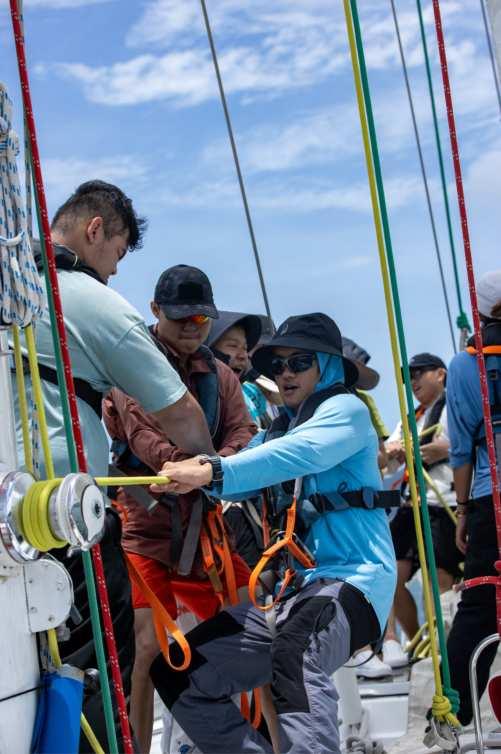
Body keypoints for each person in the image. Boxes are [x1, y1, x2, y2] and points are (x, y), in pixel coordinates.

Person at [149, 312, 398, 754]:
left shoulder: (347, 411)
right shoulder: (277, 431)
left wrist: (210, 471)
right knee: (178, 672)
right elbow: (239, 470)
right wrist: (186, 472)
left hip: (356, 583)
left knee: (296, 652)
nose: (285, 374)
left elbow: (295, 454)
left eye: (299, 362)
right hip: (293, 594)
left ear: (329, 366)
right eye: (277, 365)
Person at [21, 181, 213, 752]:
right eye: (119, 253)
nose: (115, 269)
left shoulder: (13, 291)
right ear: (95, 230)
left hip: (13, 510)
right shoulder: (90, 301)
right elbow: (181, 415)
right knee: (98, 668)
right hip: (63, 522)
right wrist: (211, 471)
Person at [103, 264, 257, 753]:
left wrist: (214, 467)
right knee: (146, 649)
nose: (192, 327)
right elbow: (141, 436)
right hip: (142, 534)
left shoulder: (222, 376)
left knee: (251, 629)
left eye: (201, 319)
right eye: (181, 318)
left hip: (204, 533)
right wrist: (193, 466)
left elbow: (244, 432)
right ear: (155, 311)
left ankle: (263, 741)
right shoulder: (131, 366)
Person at [446, 271, 501, 725]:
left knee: (481, 605)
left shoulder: (464, 366)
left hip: (490, 499)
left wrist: (462, 510)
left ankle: (454, 715)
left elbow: (462, 449)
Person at [383, 353, 462, 670]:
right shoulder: (409, 420)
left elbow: (454, 445)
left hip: (444, 501)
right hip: (412, 504)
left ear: (440, 374)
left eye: (419, 373)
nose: (413, 381)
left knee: (440, 577)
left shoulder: (454, 408)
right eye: (409, 376)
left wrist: (414, 450)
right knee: (391, 575)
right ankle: (417, 645)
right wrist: (391, 452)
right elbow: (389, 459)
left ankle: (444, 644)